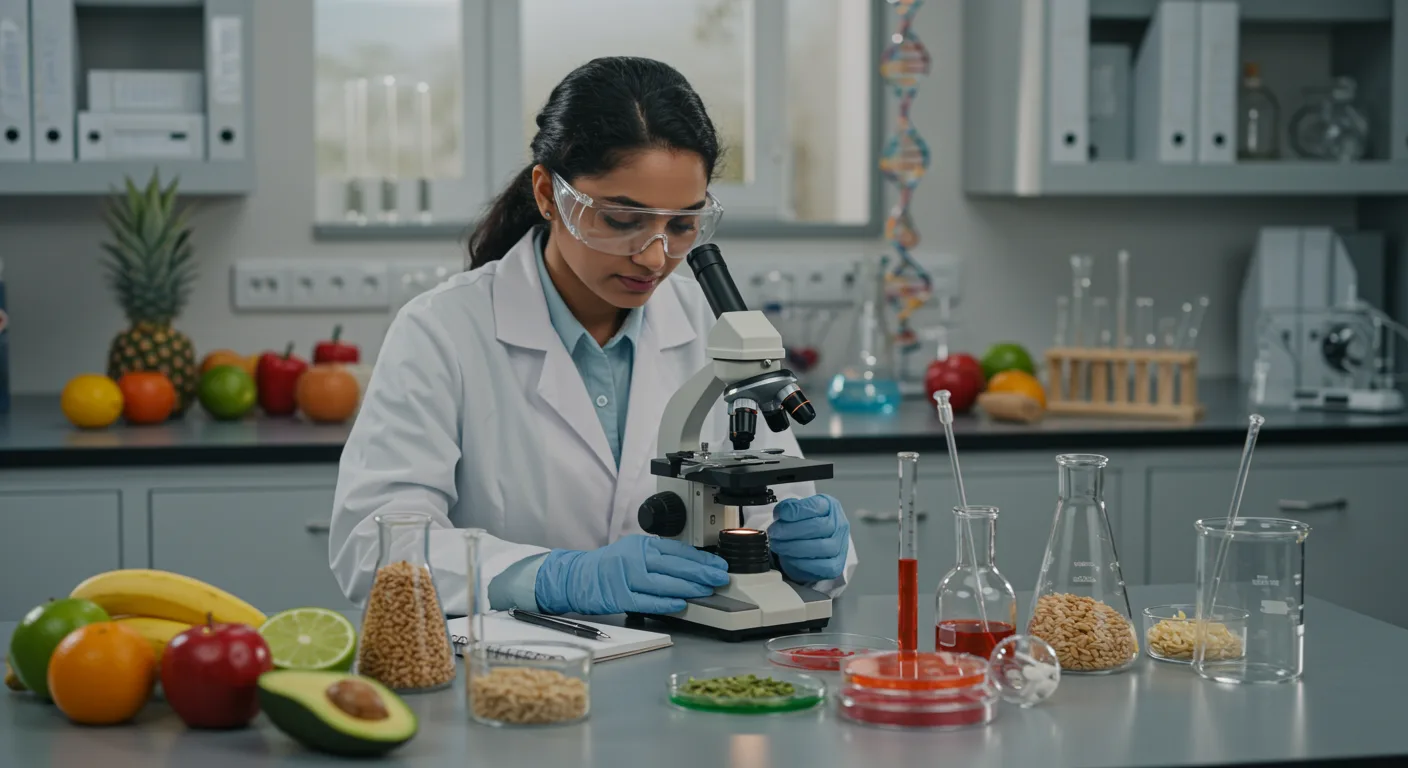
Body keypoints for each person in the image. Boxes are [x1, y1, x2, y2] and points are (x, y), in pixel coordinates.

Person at [329, 56, 856, 618]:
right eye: (623, 220)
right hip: (514, 676)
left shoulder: (709, 324)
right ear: (548, 195)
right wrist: (549, 577)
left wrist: (813, 552)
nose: (655, 256)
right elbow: (376, 548)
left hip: (685, 668)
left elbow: (780, 503)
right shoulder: (443, 330)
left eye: (681, 225)